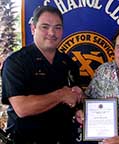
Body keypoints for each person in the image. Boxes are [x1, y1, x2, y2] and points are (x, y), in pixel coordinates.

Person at [1, 5, 83, 144]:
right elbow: (22, 108)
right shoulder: (16, 62)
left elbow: (73, 99)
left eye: (57, 27)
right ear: (33, 28)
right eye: (45, 27)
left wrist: (79, 108)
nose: (52, 32)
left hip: (64, 139)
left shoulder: (68, 63)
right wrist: (61, 94)